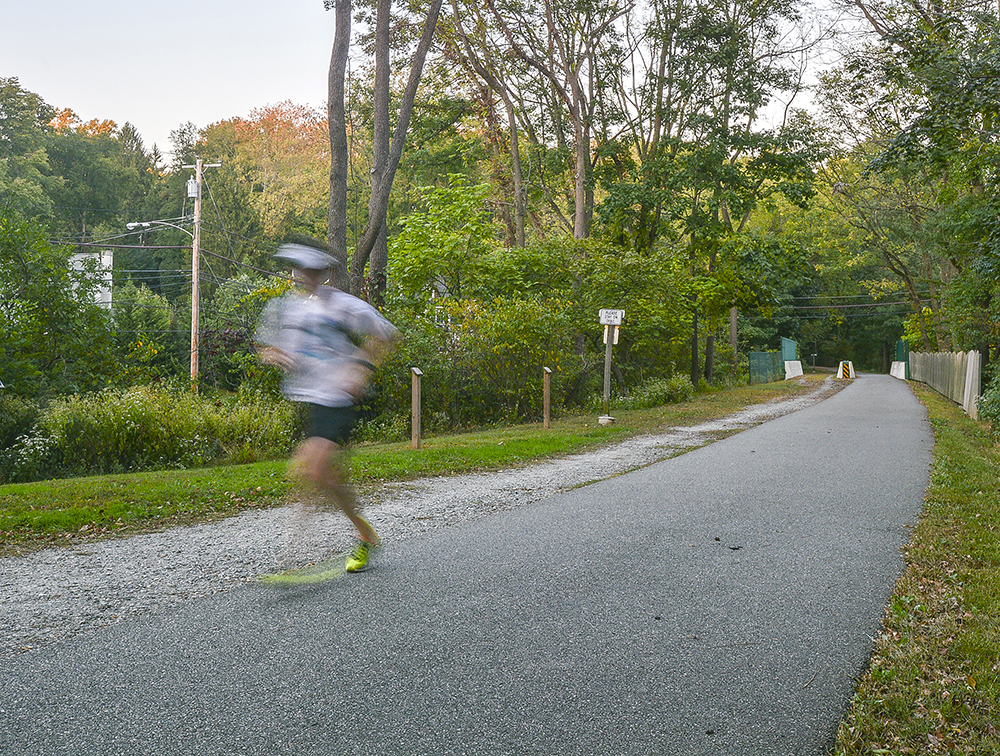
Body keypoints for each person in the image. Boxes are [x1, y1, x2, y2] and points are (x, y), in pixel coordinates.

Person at [256, 239, 399, 572]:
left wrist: (360, 369)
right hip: (309, 400)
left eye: (313, 270)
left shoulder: (342, 305)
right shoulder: (288, 309)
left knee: (312, 469)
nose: (306, 276)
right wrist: (277, 356)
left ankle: (288, 559)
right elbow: (267, 348)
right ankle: (365, 535)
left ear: (323, 273)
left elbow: (387, 335)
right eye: (301, 270)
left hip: (338, 399)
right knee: (324, 476)